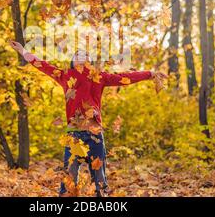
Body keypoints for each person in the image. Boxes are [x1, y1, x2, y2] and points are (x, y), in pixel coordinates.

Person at [9, 41, 167, 197]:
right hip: (73, 136)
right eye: (77, 54)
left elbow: (124, 77)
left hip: (94, 135)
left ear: (90, 61)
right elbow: (43, 65)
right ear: (72, 61)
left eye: (85, 54)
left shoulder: (99, 76)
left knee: (99, 179)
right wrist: (23, 51)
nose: (81, 55)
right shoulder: (65, 76)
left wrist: (150, 74)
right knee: (69, 179)